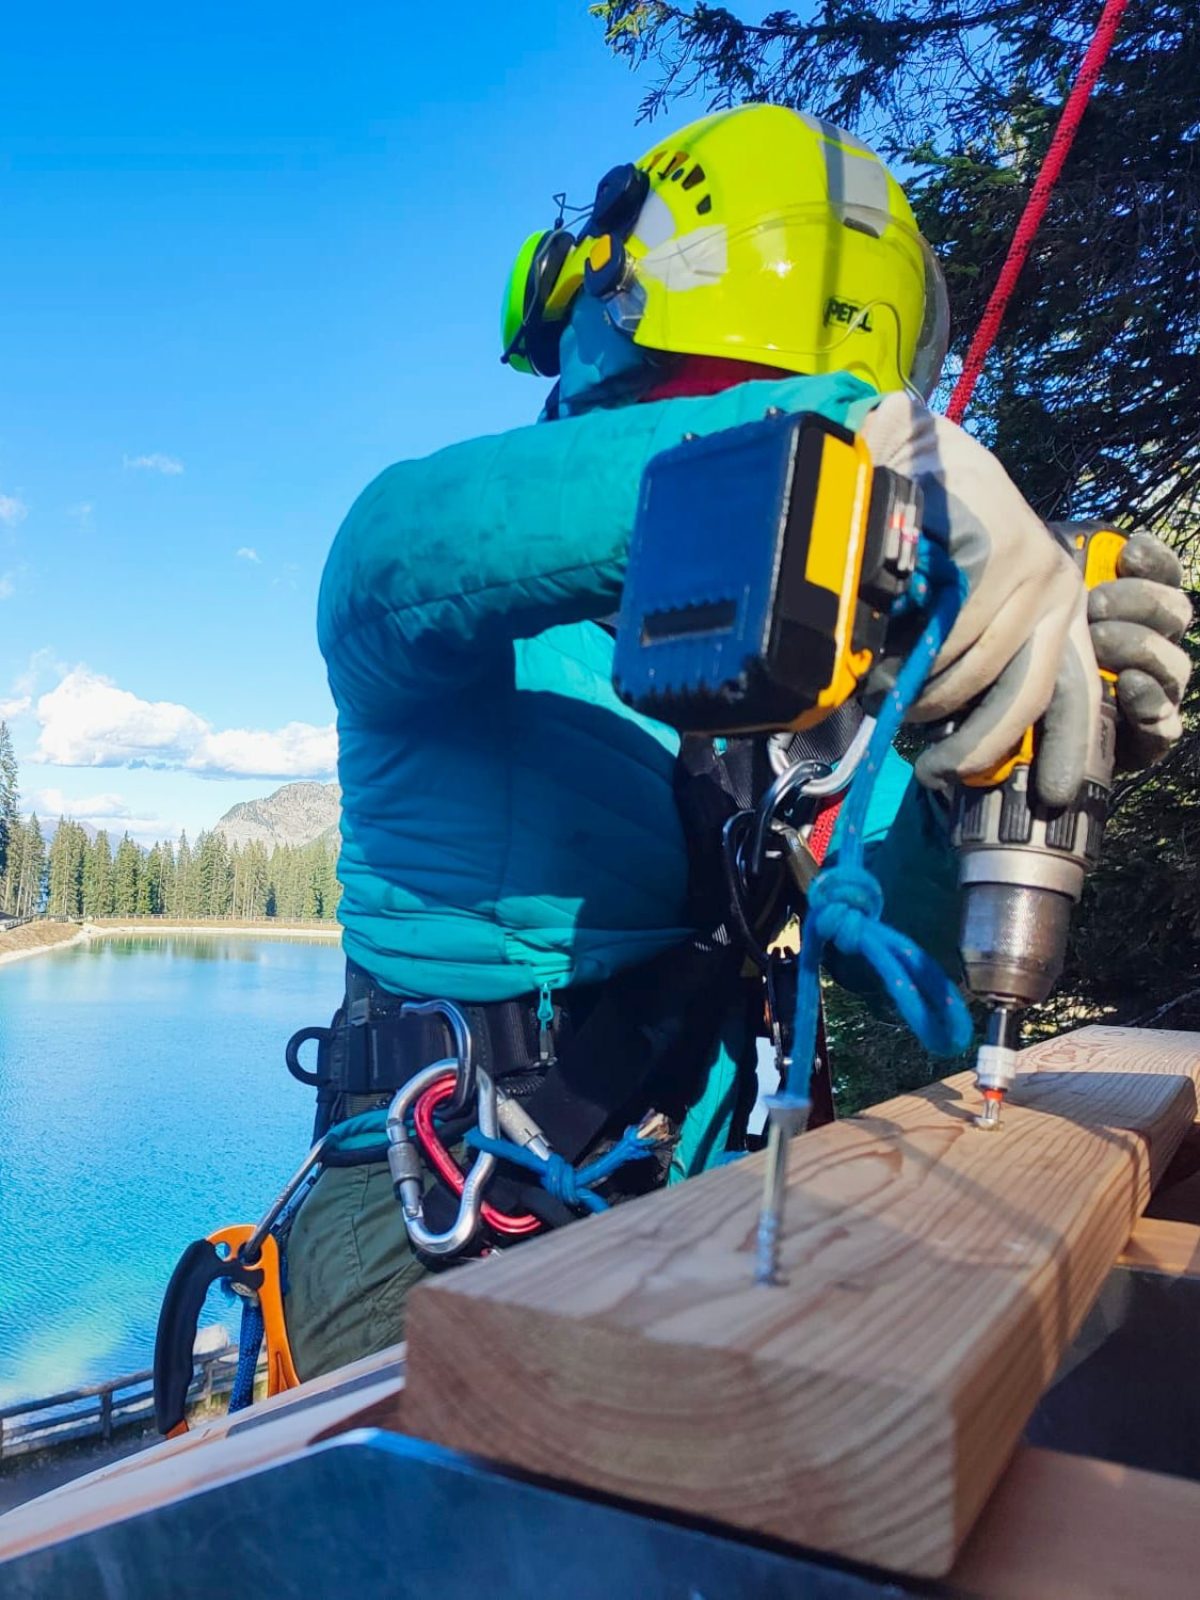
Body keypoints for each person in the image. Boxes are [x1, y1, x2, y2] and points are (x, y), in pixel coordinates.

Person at [282, 105, 1192, 1379]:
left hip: (692, 1212)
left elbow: (910, 959)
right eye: (716, 406)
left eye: (776, 409)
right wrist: (854, 442)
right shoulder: (452, 583)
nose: (763, 450)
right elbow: (398, 548)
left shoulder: (802, 681)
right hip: (430, 1224)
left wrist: (996, 759)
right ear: (610, 381)